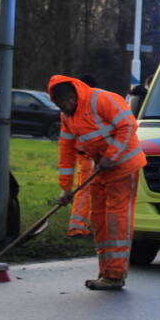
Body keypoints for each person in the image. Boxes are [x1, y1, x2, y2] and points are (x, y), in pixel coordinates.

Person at [49, 75, 147, 290]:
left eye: (65, 104)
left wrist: (111, 156)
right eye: (59, 106)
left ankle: (115, 275)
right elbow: (66, 151)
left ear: (73, 96)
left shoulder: (102, 99)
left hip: (124, 165)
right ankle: (105, 272)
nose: (64, 109)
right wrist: (65, 188)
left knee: (116, 219)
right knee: (99, 219)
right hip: (100, 168)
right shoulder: (67, 116)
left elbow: (128, 126)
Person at [65, 74, 98, 239]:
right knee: (85, 191)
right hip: (88, 157)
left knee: (88, 191)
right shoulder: (90, 105)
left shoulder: (76, 105)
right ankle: (77, 227)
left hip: (84, 156)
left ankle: (84, 226)